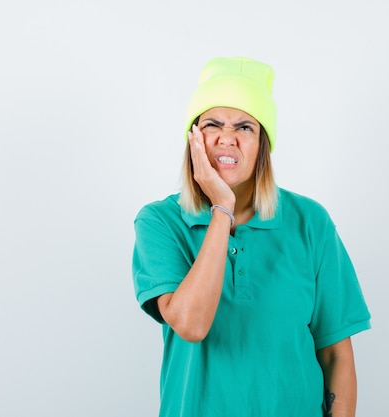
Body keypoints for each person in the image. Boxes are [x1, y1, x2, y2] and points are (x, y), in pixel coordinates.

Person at [132, 57, 371, 417]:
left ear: (263, 146)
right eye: (212, 124)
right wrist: (221, 209)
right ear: (194, 139)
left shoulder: (311, 223)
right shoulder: (160, 222)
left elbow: (336, 354)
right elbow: (191, 324)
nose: (227, 137)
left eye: (245, 127)